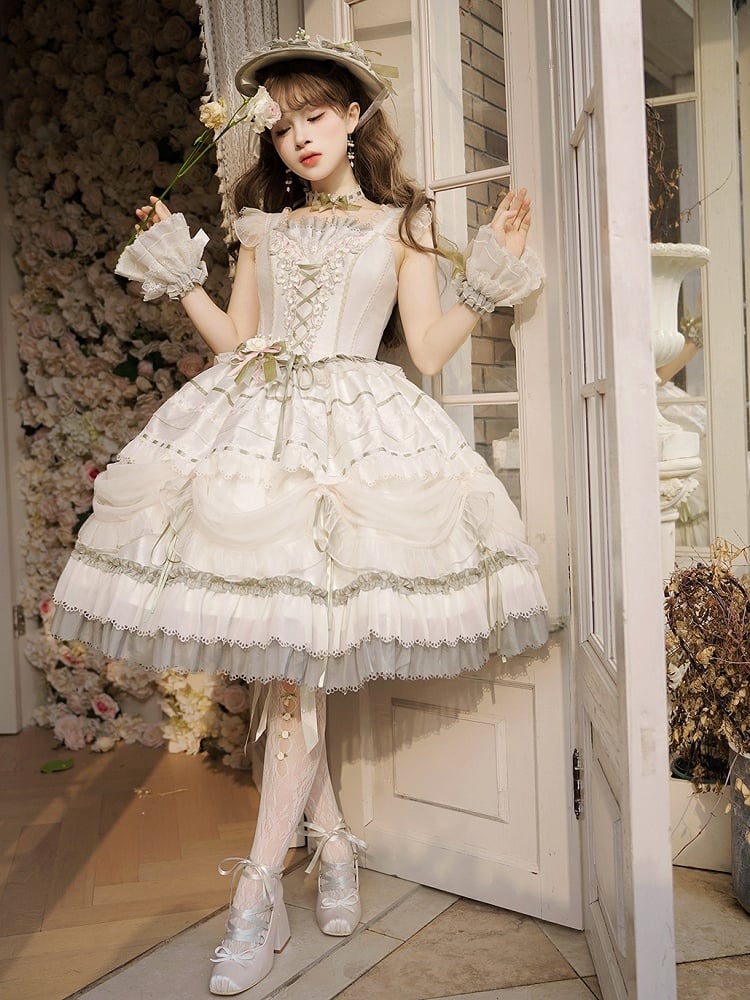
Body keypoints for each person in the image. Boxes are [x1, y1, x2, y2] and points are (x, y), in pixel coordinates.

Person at [51, 31, 548, 997]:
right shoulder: (263, 228)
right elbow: (238, 339)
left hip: (352, 444)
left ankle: (256, 895)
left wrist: (491, 275)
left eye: (315, 116)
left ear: (354, 117)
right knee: (290, 672)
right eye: (281, 127)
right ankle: (332, 850)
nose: (299, 138)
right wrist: (181, 273)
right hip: (254, 440)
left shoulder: (400, 222)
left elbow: (428, 352)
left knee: (295, 675)